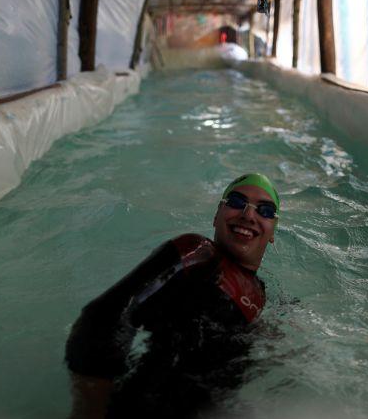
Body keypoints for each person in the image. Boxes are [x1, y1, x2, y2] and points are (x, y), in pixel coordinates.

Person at [65, 173, 280, 418]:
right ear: (216, 216)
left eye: (265, 210)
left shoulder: (261, 294)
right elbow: (101, 319)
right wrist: (90, 409)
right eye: (236, 202)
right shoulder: (197, 255)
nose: (248, 215)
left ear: (273, 231)